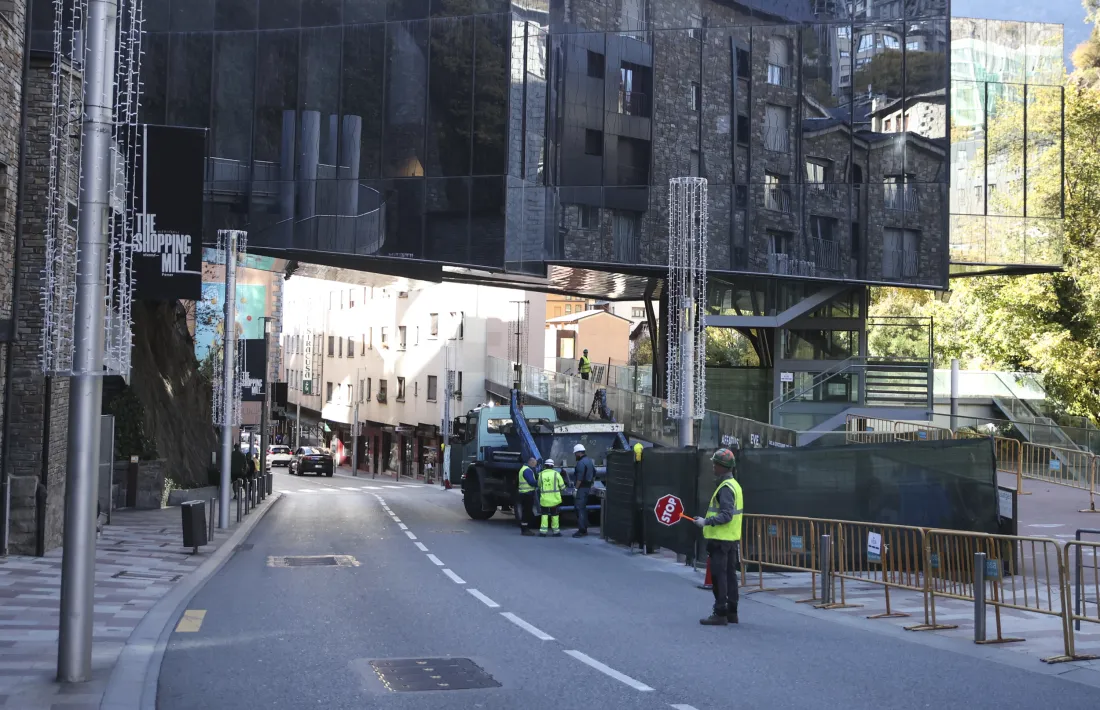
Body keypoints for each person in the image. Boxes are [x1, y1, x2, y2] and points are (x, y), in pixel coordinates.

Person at [695, 448, 744, 626]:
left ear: (723, 467)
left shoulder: (725, 488)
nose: (713, 466)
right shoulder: (735, 485)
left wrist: (706, 522)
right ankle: (732, 612)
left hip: (720, 539)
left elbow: (726, 515)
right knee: (730, 575)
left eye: (716, 464)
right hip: (731, 539)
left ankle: (720, 612)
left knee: (719, 576)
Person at [571, 444, 595, 537]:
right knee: (583, 508)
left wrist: (576, 489)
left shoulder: (581, 463)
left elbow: (579, 479)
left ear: (578, 453)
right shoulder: (589, 461)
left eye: (575, 453)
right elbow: (594, 473)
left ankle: (582, 530)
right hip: (587, 487)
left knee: (579, 508)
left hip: (581, 488)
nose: (575, 455)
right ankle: (584, 527)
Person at [537, 458, 565, 537]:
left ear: (545, 466)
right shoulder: (556, 474)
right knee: (555, 515)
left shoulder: (541, 474)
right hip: (554, 500)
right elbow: (562, 486)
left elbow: (539, 485)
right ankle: (556, 532)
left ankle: (543, 532)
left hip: (544, 499)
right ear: (553, 466)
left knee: (544, 515)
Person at [517, 457, 538, 536]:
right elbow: (531, 482)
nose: (535, 466)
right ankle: (525, 529)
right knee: (527, 512)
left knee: (526, 511)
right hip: (527, 494)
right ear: (531, 462)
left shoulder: (524, 469)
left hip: (524, 493)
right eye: (535, 464)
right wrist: (539, 482)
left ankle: (524, 528)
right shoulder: (527, 470)